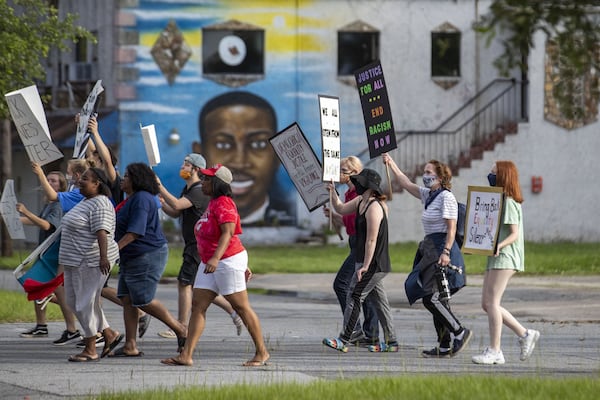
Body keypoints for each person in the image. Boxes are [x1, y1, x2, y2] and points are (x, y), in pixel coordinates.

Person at [160, 164, 269, 366]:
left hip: (224, 260)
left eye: (207, 179)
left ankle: (262, 353)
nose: (203, 182)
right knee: (198, 306)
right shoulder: (213, 202)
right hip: (211, 261)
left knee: (241, 307)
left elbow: (228, 233)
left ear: (218, 183)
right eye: (203, 178)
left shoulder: (224, 203)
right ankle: (186, 355)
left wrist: (218, 259)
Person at [383, 153, 471, 358]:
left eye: (428, 172)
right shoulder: (429, 196)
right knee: (437, 297)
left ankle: (459, 331)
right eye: (424, 172)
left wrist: (446, 252)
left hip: (442, 249)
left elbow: (451, 228)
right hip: (430, 248)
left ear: (440, 178)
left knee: (430, 297)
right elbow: (405, 183)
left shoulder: (446, 197)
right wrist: (391, 162)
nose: (425, 175)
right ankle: (443, 345)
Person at [157, 153, 244, 338]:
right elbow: (175, 212)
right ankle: (234, 312)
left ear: (195, 169)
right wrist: (162, 204)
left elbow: (179, 205)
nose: (182, 167)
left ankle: (181, 326)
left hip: (199, 246)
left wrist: (160, 187)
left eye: (186, 165)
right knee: (202, 289)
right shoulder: (188, 190)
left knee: (184, 283)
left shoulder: (198, 191)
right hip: (195, 244)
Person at [84, 115, 151, 346]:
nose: (89, 160)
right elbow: (93, 153)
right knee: (96, 290)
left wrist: (95, 132)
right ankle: (102, 331)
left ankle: (136, 315)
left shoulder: (111, 180)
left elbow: (105, 158)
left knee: (99, 288)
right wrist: (83, 128)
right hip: (96, 236)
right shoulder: (94, 178)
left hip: (108, 236)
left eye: (94, 157)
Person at [109, 162, 186, 357]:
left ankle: (180, 329)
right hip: (132, 255)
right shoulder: (133, 198)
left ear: (136, 179)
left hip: (146, 254)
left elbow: (136, 231)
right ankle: (130, 345)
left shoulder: (142, 199)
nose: (123, 179)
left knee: (142, 300)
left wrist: (113, 250)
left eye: (126, 176)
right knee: (127, 299)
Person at [322, 168, 399, 353]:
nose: (356, 184)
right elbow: (340, 208)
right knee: (380, 302)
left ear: (369, 186)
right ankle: (392, 342)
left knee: (354, 295)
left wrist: (365, 266)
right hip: (366, 261)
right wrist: (332, 192)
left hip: (374, 263)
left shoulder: (374, 207)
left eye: (359, 181)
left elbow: (371, 240)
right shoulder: (361, 201)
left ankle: (344, 339)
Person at [472, 161, 540, 365]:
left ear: (503, 177)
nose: (490, 175)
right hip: (497, 256)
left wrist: (498, 246)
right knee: (487, 304)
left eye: (494, 173)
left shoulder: (509, 202)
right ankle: (524, 334)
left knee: (492, 303)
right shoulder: (501, 201)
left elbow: (514, 234)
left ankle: (495, 350)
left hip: (506, 256)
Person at [192, 91, 295, 226]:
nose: (240, 162)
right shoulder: (189, 216)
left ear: (277, 156)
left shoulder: (292, 211)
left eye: (258, 144)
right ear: (200, 155)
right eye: (222, 144)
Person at [59, 167, 123, 362]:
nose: (80, 181)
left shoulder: (101, 203)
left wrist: (103, 257)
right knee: (74, 302)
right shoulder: (86, 201)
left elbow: (102, 231)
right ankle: (108, 332)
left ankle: (90, 348)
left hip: (90, 260)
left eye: (85, 179)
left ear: (97, 184)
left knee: (84, 302)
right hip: (74, 260)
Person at [32, 159, 90, 346]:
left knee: (86, 293)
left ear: (77, 175)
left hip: (78, 248)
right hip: (69, 246)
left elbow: (51, 210)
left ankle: (98, 332)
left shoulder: (76, 195)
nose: (67, 175)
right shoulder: (75, 193)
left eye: (68, 172)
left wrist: (40, 173)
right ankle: (77, 330)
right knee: (64, 289)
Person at [323, 156, 380, 346]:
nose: (338, 173)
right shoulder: (348, 194)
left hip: (362, 244)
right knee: (365, 290)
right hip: (354, 241)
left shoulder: (360, 195)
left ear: (354, 174)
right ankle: (369, 333)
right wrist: (335, 217)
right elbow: (349, 221)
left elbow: (362, 223)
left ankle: (354, 329)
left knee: (342, 284)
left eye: (343, 170)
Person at [18, 171, 68, 339]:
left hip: (52, 254)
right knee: (37, 287)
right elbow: (36, 221)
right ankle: (41, 325)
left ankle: (70, 317)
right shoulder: (49, 204)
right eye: (47, 180)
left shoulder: (59, 204)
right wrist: (11, 218)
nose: (49, 182)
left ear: (60, 186)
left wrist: (25, 211)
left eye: (53, 181)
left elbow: (46, 225)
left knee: (39, 287)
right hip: (44, 252)